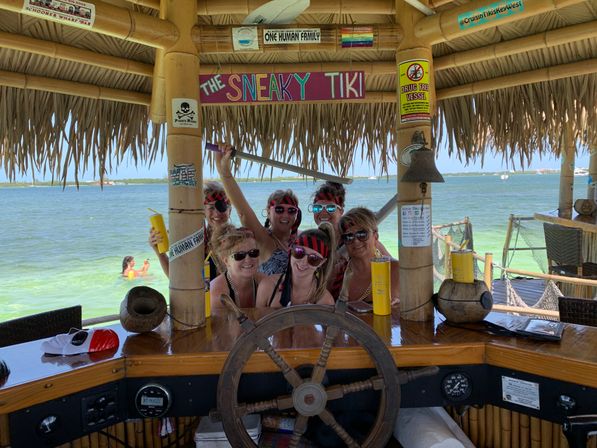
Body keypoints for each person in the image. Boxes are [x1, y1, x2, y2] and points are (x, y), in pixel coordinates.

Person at [215, 144, 301, 275]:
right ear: (268, 212)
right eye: (279, 210)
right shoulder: (263, 239)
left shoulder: (301, 237)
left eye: (291, 211)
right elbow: (243, 212)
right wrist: (225, 173)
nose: (285, 215)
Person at [149, 181, 231, 279]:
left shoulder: (237, 239)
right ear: (203, 211)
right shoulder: (196, 239)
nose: (217, 213)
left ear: (229, 210)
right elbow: (176, 278)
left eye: (222, 207)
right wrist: (160, 252)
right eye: (211, 208)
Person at [256, 223, 335, 308]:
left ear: (322, 262)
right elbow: (258, 320)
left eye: (313, 258)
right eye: (299, 252)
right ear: (291, 250)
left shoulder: (325, 302)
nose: (303, 262)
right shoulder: (268, 286)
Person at [333, 207, 399, 304]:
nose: (356, 241)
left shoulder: (396, 270)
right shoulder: (337, 273)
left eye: (362, 234)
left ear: (375, 237)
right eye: (349, 236)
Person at [209, 225, 265, 309]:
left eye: (253, 252)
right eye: (240, 255)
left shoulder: (265, 283)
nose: (248, 259)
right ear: (226, 261)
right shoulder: (217, 294)